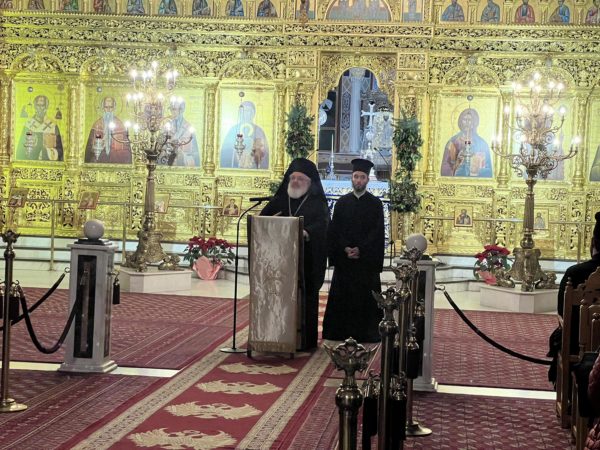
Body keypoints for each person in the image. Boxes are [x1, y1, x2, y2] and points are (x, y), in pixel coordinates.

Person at [260, 158, 329, 350]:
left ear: (309, 182)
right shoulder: (280, 200)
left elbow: (323, 226)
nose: (296, 182)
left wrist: (307, 232)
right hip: (278, 261)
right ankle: (276, 335)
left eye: (300, 179)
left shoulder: (317, 203)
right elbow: (262, 220)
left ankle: (304, 341)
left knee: (305, 298)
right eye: (293, 178)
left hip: (306, 261)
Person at [322, 158, 384, 343]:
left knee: (366, 298)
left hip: (365, 262)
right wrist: (345, 248)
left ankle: (367, 333)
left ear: (367, 180)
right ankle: (339, 332)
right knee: (343, 297)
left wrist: (361, 249)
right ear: (351, 178)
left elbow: (377, 232)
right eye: (356, 176)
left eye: (362, 177)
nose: (358, 180)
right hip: (345, 261)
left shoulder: (375, 204)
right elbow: (335, 230)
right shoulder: (342, 202)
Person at [440, 108, 492, 178]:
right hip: (456, 182)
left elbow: (488, 171)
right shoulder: (452, 143)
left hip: (475, 182)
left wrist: (476, 168)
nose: (467, 123)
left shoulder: (482, 144)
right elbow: (444, 170)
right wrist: (456, 164)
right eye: (464, 120)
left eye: (470, 120)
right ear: (460, 122)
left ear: (475, 123)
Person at [220, 101, 269, 169]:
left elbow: (263, 151)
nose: (246, 113)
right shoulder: (234, 129)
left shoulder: (258, 130)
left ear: (253, 114)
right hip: (236, 166)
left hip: (253, 166)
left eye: (249, 111)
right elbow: (227, 150)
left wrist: (256, 149)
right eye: (244, 111)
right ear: (240, 113)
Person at [85, 97, 132, 164]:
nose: (108, 110)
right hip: (100, 159)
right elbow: (90, 146)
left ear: (114, 108)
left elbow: (126, 148)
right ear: (103, 108)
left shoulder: (120, 125)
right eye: (106, 107)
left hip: (116, 160)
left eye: (111, 107)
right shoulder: (97, 125)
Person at [16, 95, 64, 161]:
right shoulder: (28, 126)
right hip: (30, 163)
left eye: (42, 105)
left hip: (48, 164)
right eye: (38, 105)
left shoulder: (53, 126)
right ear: (35, 107)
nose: (40, 108)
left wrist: (46, 152)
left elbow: (60, 150)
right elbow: (20, 150)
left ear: (46, 107)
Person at [161, 101, 200, 167]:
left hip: (183, 168)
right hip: (166, 167)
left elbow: (196, 158)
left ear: (182, 110)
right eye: (171, 109)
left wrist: (183, 157)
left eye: (174, 109)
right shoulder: (166, 128)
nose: (172, 112)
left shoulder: (189, 128)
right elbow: (158, 151)